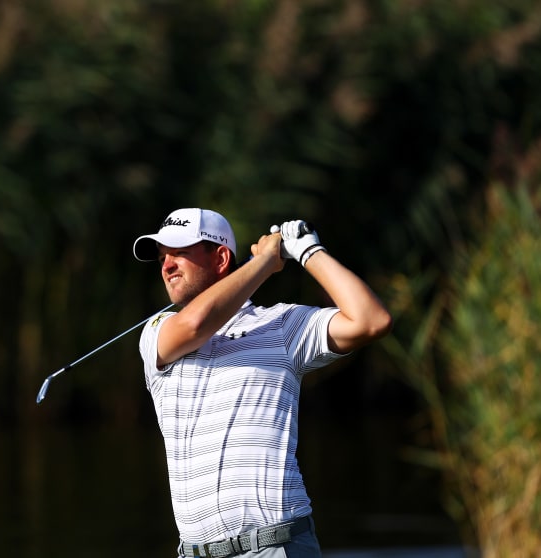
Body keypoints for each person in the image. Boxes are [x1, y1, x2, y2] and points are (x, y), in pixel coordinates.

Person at [132, 208, 393, 558]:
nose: (166, 266)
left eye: (179, 253)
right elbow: (194, 326)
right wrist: (265, 263)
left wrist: (308, 251)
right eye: (163, 257)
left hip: (275, 546)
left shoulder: (280, 325)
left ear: (220, 258)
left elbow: (372, 320)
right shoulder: (158, 332)